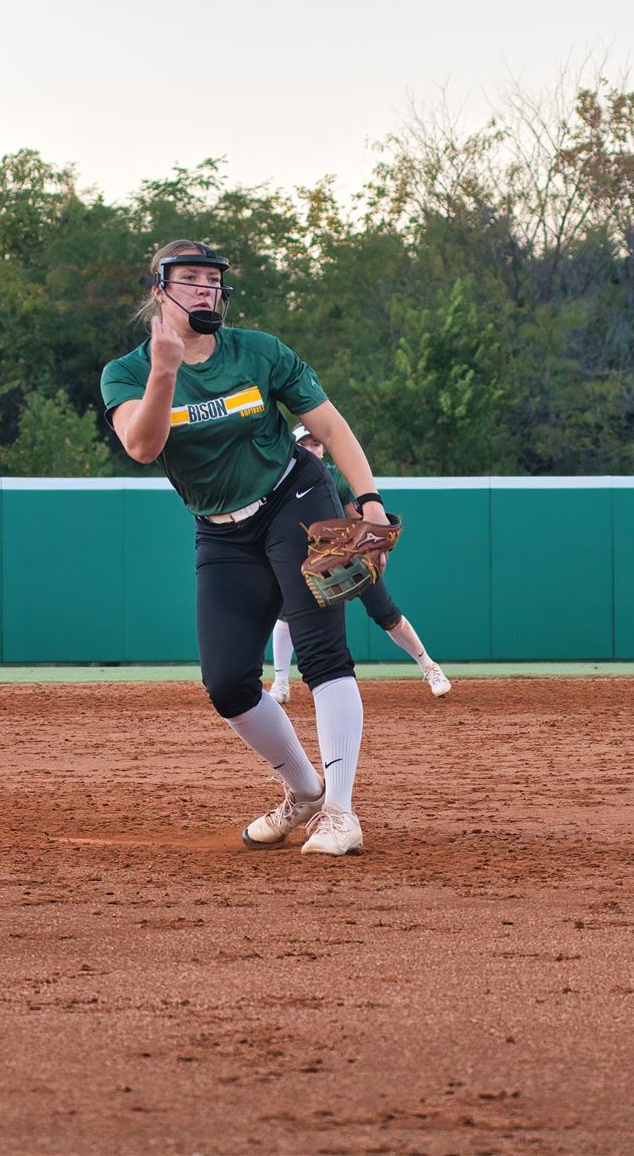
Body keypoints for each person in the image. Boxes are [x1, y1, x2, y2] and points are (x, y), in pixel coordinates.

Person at [101, 239, 395, 856]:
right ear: (160, 289)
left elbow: (330, 427)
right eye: (191, 279)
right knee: (228, 682)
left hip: (295, 498)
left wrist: (367, 502)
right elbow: (143, 447)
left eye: (213, 280)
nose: (206, 289)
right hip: (221, 528)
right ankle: (306, 793)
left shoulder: (258, 351)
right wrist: (164, 371)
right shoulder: (127, 372)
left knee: (321, 652)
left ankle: (341, 813)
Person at [270, 425, 451, 703]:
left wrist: (372, 545)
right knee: (286, 614)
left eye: (316, 443)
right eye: (304, 443)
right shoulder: (280, 478)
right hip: (307, 559)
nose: (311, 448)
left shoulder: (332, 476)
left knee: (387, 615)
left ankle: (429, 667)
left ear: (324, 448)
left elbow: (363, 514)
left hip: (348, 557)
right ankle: (280, 682)